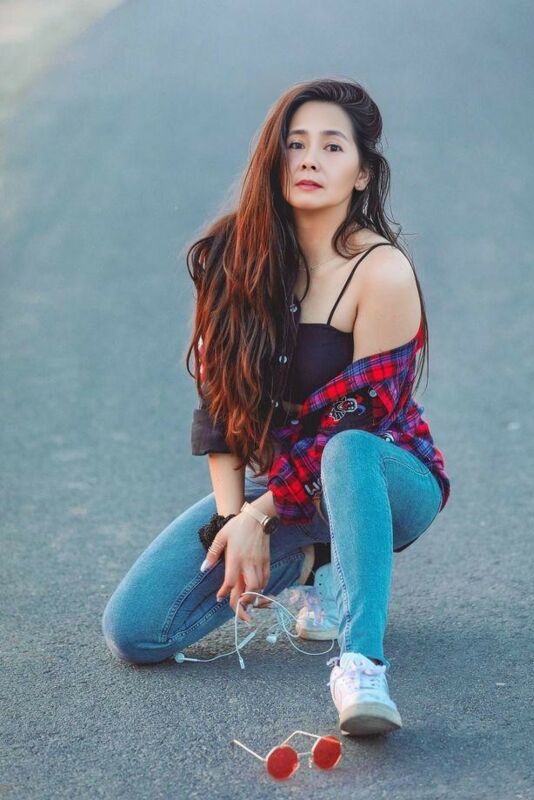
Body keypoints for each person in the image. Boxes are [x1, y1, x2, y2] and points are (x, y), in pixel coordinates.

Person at [101, 77, 451, 736]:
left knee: (347, 449)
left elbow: (360, 420)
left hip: (386, 478)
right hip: (289, 485)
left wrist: (261, 515)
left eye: (332, 147)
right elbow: (219, 403)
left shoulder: (381, 272)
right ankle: (313, 564)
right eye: (296, 144)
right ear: (274, 157)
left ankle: (362, 665)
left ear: (361, 174)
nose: (311, 159)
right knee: (136, 630)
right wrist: (232, 518)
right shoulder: (231, 257)